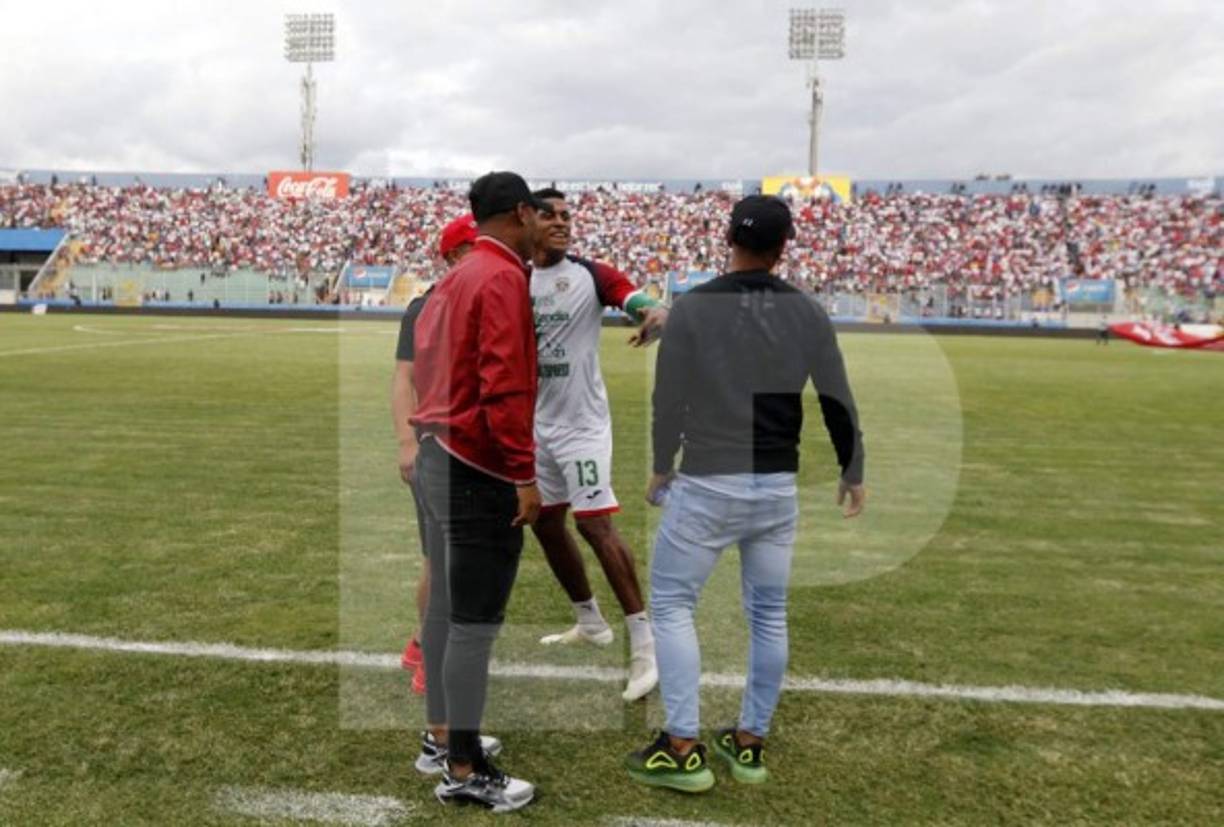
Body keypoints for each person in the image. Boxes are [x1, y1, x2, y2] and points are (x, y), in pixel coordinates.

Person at [625, 195, 866, 793]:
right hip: (776, 486)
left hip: (710, 480)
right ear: (783, 247)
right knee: (768, 613)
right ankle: (750, 740)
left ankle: (682, 746)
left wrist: (661, 464)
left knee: (673, 605)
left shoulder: (694, 307)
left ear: (728, 237)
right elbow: (835, 395)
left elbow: (668, 398)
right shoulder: (806, 311)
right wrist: (852, 467)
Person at [410, 171, 545, 813]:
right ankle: (464, 767)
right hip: (475, 464)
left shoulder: (456, 276)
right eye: (536, 213)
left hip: (438, 452)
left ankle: (443, 738)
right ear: (520, 212)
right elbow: (503, 385)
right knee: (472, 623)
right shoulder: (499, 276)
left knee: (445, 608)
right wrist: (523, 473)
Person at [527, 188, 668, 702]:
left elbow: (635, 299)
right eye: (550, 215)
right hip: (535, 425)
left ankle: (646, 647)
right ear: (526, 220)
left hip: (582, 426)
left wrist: (655, 312)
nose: (562, 222)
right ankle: (590, 622)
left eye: (568, 215)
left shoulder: (591, 274)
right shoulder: (515, 277)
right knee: (544, 521)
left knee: (594, 525)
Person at [392, 212, 479, 697]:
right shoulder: (426, 307)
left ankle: (421, 645)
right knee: (446, 560)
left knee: (443, 559)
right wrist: (406, 442)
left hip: (471, 449)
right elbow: (403, 377)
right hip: (439, 448)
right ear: (455, 255)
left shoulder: (486, 297)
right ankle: (433, 657)